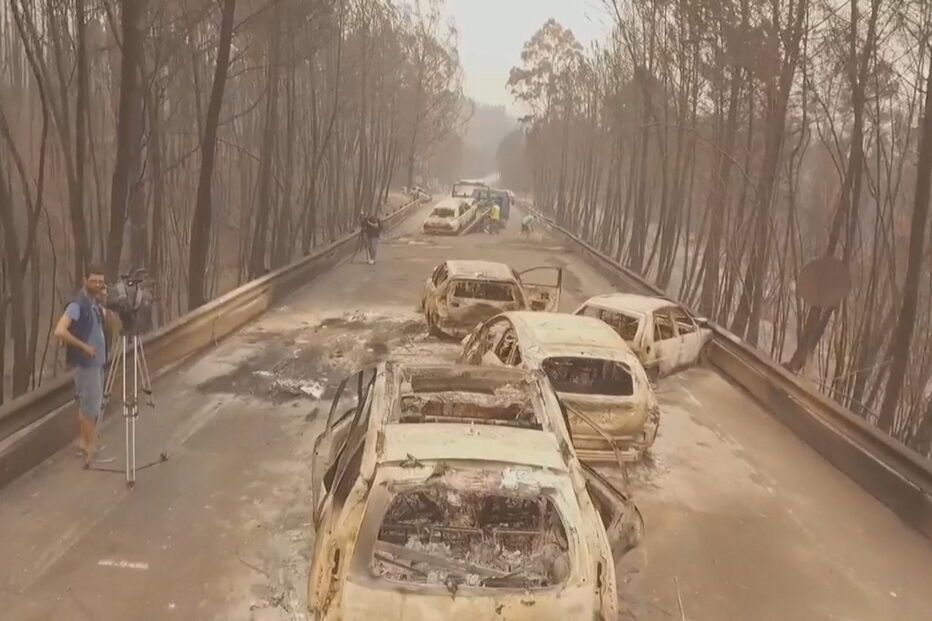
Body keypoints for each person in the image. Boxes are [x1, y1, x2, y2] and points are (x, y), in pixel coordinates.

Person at [54, 263, 114, 467]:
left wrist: (105, 300)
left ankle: (85, 444)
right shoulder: (77, 304)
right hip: (87, 364)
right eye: (93, 281)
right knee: (91, 408)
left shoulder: (95, 302)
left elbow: (108, 324)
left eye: (100, 281)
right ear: (85, 280)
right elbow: (60, 331)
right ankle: (91, 449)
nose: (97, 284)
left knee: (88, 406)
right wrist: (83, 347)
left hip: (97, 363)